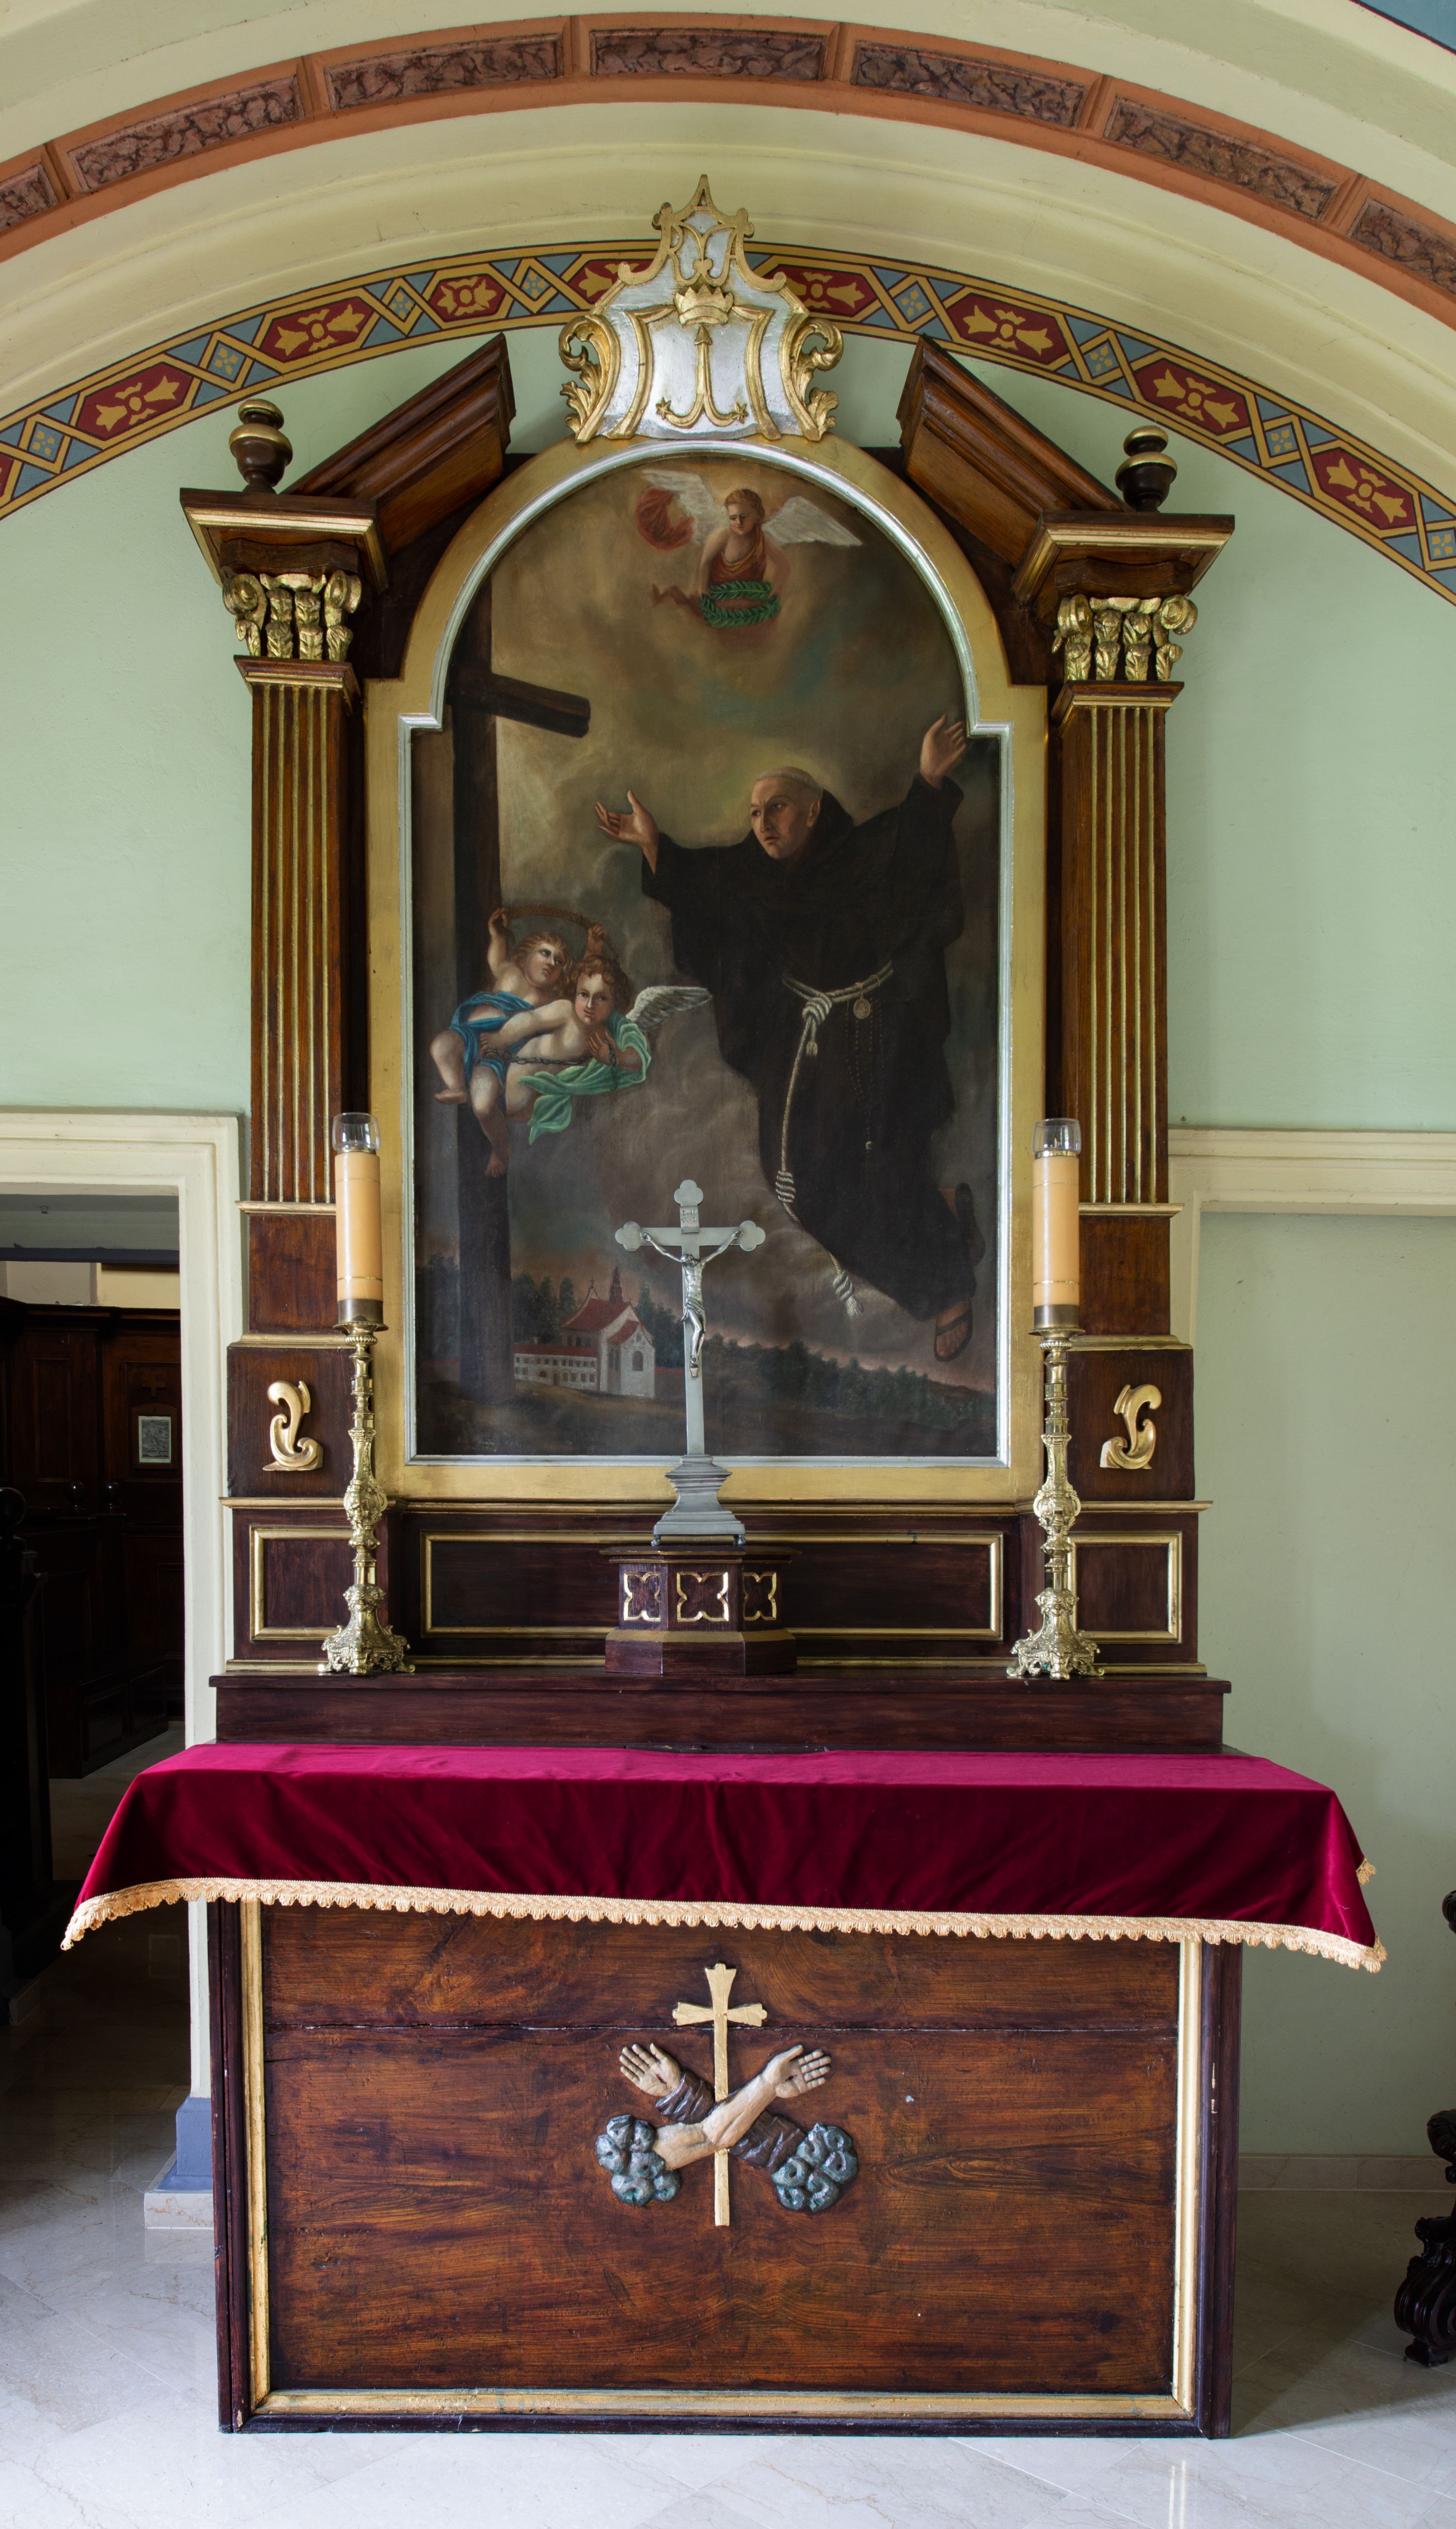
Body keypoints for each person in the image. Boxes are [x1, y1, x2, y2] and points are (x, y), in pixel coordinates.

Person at [593, 715, 984, 1360]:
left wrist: (929, 779)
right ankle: (944, 1221)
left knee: (886, 1169)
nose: (763, 823)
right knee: (802, 1188)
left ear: (814, 810)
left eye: (777, 807)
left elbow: (913, 859)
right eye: (754, 813)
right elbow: (704, 889)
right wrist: (655, 844)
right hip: (805, 1048)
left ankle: (945, 1287)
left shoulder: (861, 854)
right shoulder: (751, 875)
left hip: (880, 1040)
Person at [428, 912, 570, 1175]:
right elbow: (497, 958)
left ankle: (502, 1146)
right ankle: (457, 1087)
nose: (551, 963)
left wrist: (593, 952)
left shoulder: (549, 999)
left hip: (496, 1053)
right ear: (525, 956)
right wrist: (497, 934)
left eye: (559, 961)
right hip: (468, 1035)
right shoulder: (510, 974)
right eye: (545, 953)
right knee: (441, 1045)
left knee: (483, 1106)